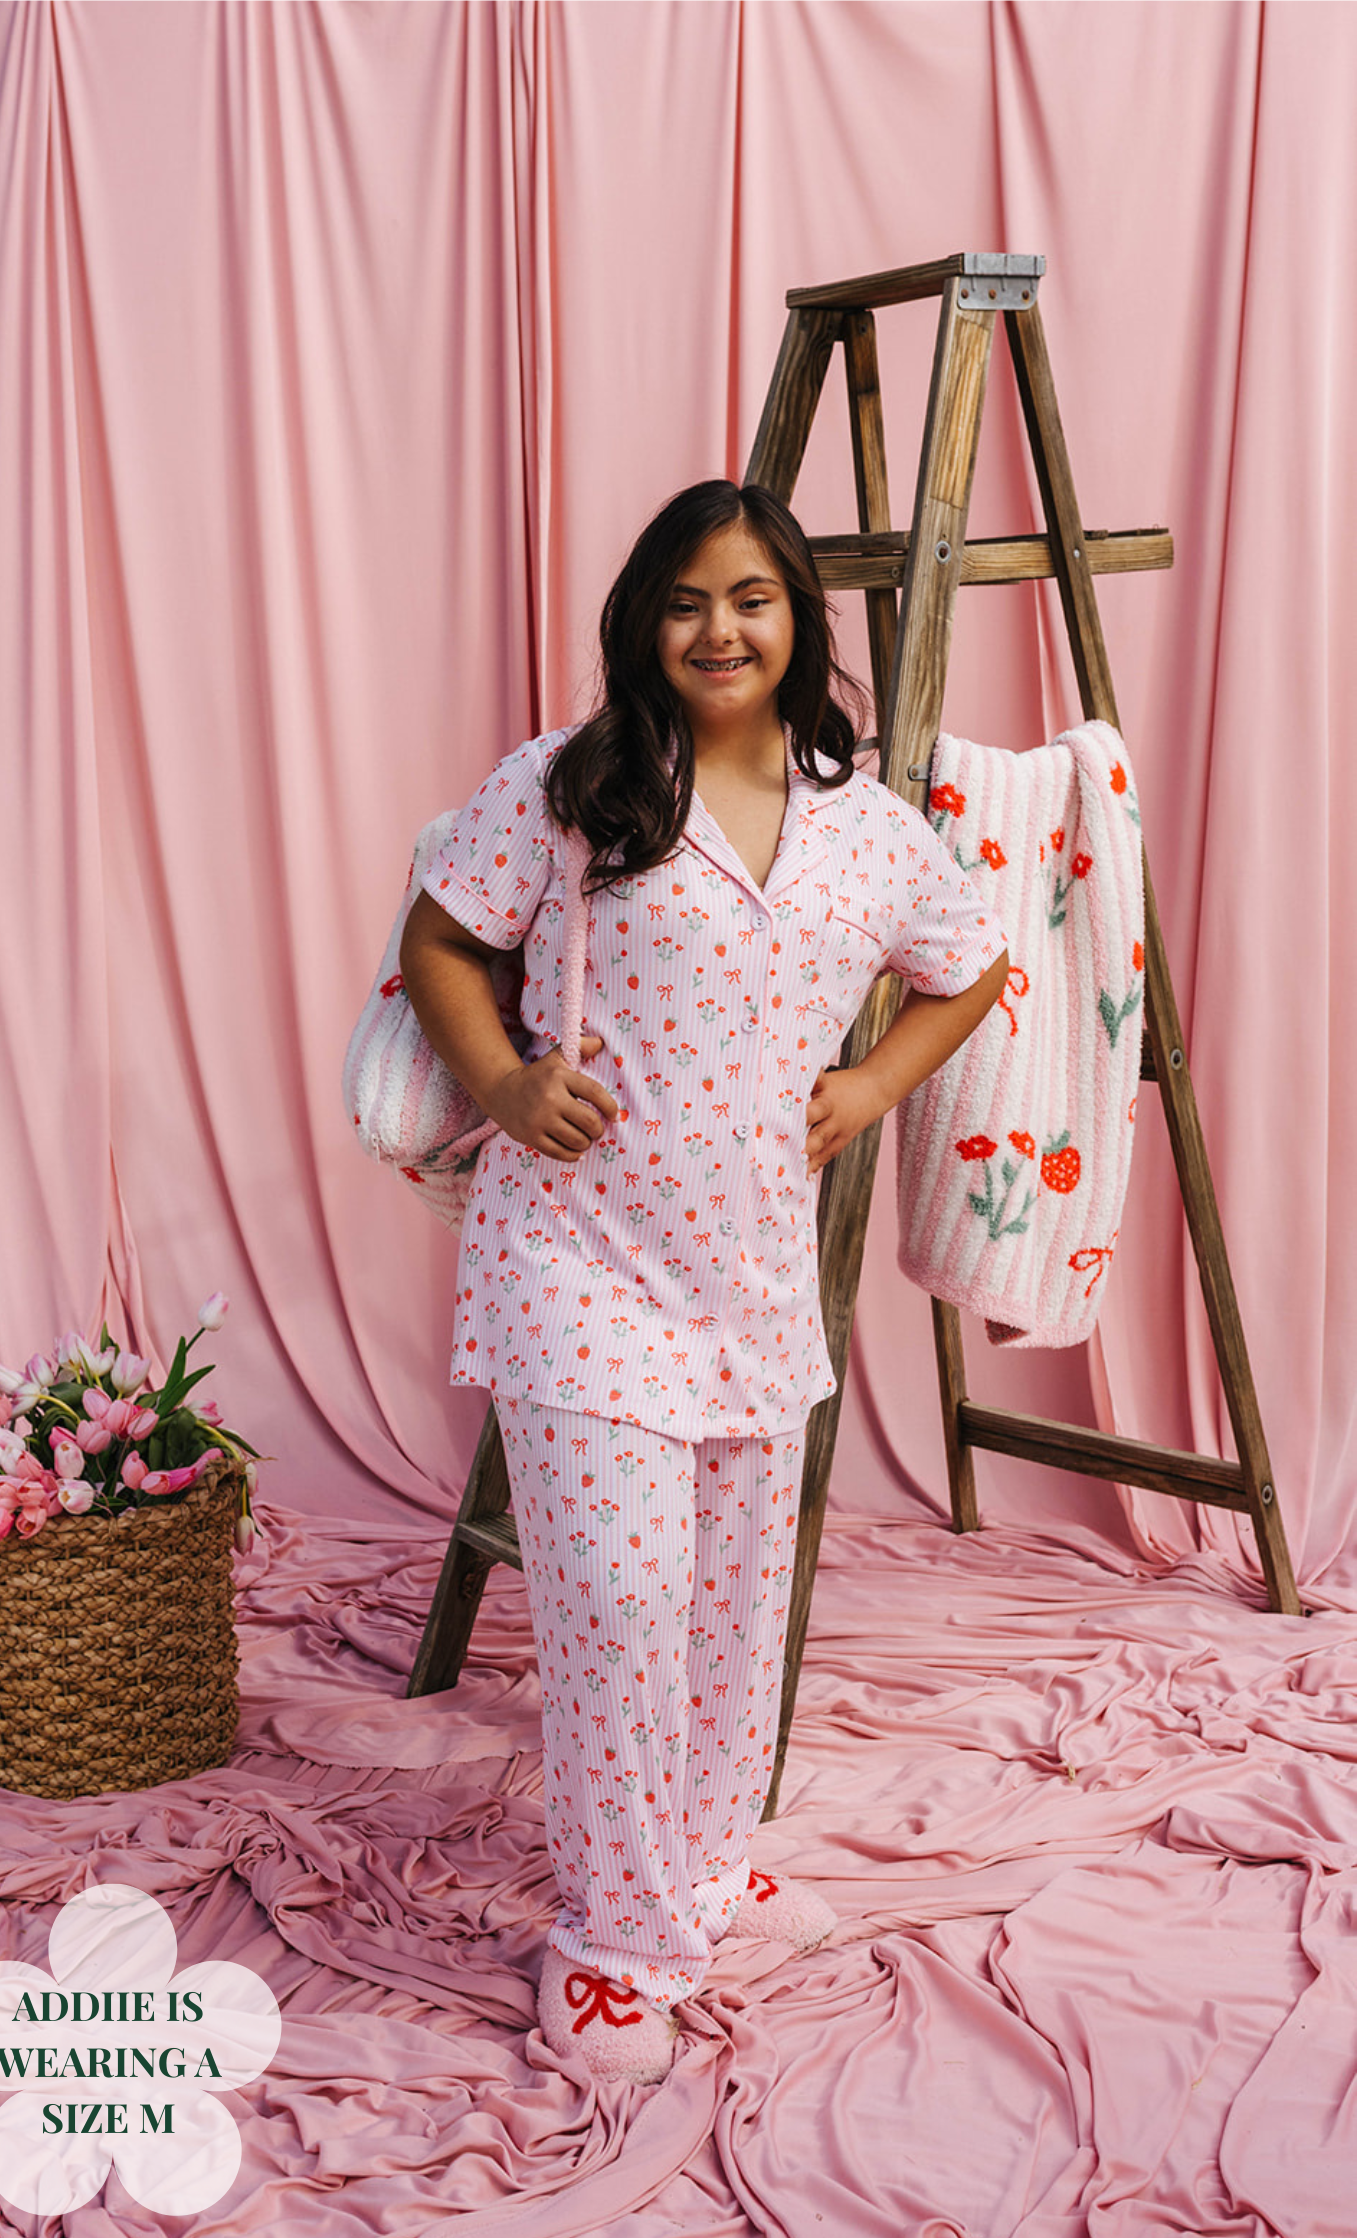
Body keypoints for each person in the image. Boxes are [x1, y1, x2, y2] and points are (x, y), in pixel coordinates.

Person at [401, 479, 1008, 2082]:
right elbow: (440, 944)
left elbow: (973, 963)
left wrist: (874, 1088)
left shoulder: (872, 834)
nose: (718, 628)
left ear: (800, 617)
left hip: (748, 1285)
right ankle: (612, 1938)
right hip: (574, 1266)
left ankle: (702, 1865)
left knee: (739, 1615)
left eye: (750, 596)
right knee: (614, 1603)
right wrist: (513, 1086)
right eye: (685, 600)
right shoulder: (572, 785)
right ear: (643, 623)